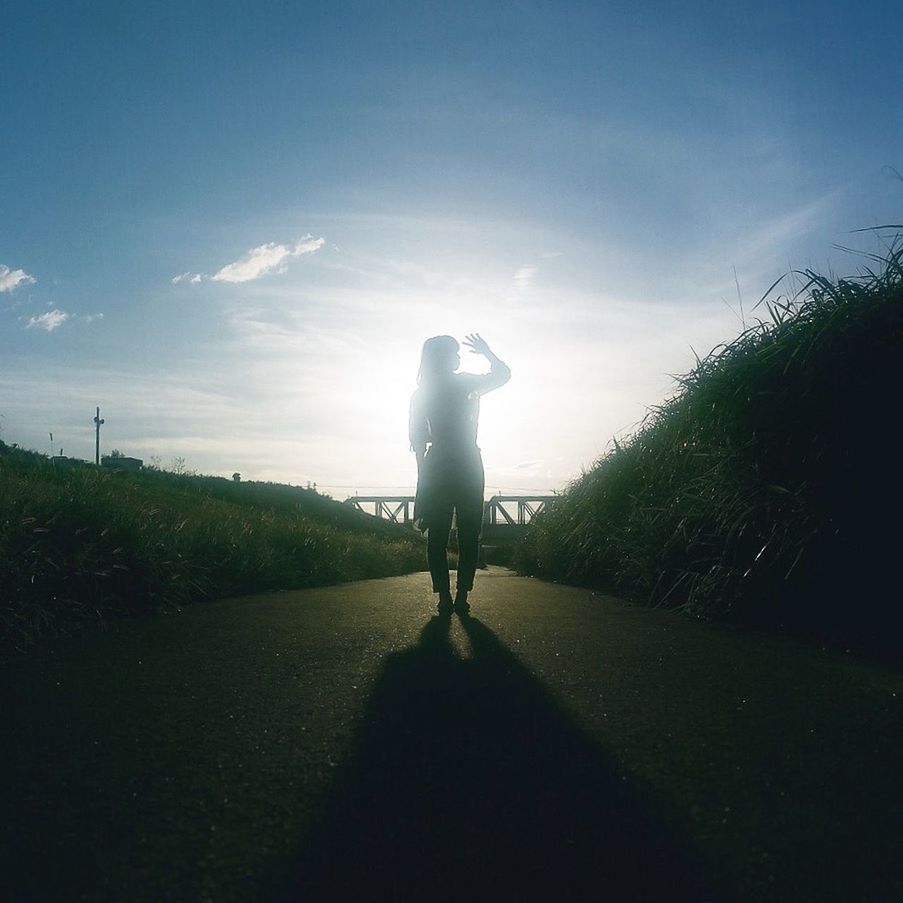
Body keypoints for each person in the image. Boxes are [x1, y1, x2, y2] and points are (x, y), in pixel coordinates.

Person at [409, 333, 511, 615]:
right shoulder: (466, 382)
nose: (457, 357)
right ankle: (462, 596)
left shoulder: (422, 393)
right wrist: (487, 352)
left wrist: (423, 480)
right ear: (442, 356)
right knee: (470, 534)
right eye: (453, 352)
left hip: (437, 464)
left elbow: (418, 441)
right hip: (467, 461)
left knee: (437, 535)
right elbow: (502, 375)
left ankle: (443, 596)